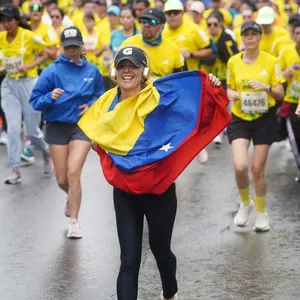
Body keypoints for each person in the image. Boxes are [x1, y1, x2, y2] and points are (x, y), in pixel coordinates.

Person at [78, 46, 229, 300]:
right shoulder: (105, 104)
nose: (127, 71)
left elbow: (196, 114)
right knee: (129, 259)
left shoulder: (160, 97)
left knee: (161, 250)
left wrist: (210, 85)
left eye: (133, 66)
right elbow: (97, 140)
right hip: (125, 191)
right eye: (122, 65)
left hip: (159, 190)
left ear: (143, 71)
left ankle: (170, 292)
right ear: (114, 71)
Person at [30, 26, 105, 238]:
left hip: (81, 127)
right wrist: (49, 97)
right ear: (62, 48)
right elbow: (35, 101)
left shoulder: (92, 71)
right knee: (62, 179)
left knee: (74, 173)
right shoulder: (51, 71)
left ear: (82, 46)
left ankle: (74, 221)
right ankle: (71, 196)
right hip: (56, 126)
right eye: (67, 48)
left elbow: (101, 96)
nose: (71, 51)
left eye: (75, 47)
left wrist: (91, 105)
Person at [226, 21, 284, 231]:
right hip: (240, 118)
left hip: (263, 119)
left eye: (254, 34)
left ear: (260, 37)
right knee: (240, 166)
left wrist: (266, 87)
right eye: (246, 35)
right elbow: (229, 88)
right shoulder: (233, 62)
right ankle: (245, 204)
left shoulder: (271, 61)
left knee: (257, 170)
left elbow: (281, 93)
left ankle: (261, 213)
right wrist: (230, 93)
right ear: (242, 38)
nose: (250, 38)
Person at [0, 4, 52, 184]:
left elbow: (45, 54)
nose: (6, 24)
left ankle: (46, 153)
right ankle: (15, 169)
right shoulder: (0, 38)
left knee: (32, 130)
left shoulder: (29, 36)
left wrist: (28, 66)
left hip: (29, 84)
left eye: (9, 20)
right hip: (9, 85)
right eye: (3, 21)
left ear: (17, 20)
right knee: (13, 128)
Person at [121, 8, 185, 80]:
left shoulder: (173, 48)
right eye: (144, 21)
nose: (146, 25)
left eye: (152, 22)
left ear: (162, 27)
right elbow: (113, 72)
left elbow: (180, 79)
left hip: (163, 90)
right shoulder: (129, 44)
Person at [163, 0, 213, 71]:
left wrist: (191, 54)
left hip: (190, 74)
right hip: (168, 76)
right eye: (169, 13)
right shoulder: (161, 31)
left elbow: (209, 51)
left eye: (176, 13)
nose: (172, 16)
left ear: (182, 13)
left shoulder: (194, 29)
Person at [279, 21, 300, 154]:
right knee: (296, 137)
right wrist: (284, 74)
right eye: (297, 33)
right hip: (292, 102)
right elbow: (276, 75)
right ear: (293, 35)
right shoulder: (286, 53)